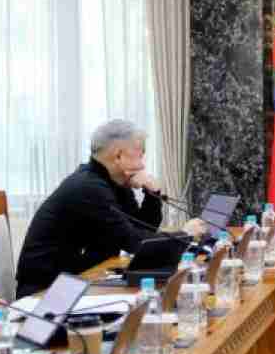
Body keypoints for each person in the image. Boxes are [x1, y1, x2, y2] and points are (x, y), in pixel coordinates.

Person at [15, 119, 167, 294]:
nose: (142, 165)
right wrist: (184, 240)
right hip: (44, 292)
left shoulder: (114, 183)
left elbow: (143, 229)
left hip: (77, 281)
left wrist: (152, 194)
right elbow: (133, 242)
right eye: (139, 156)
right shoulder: (88, 187)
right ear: (118, 156)